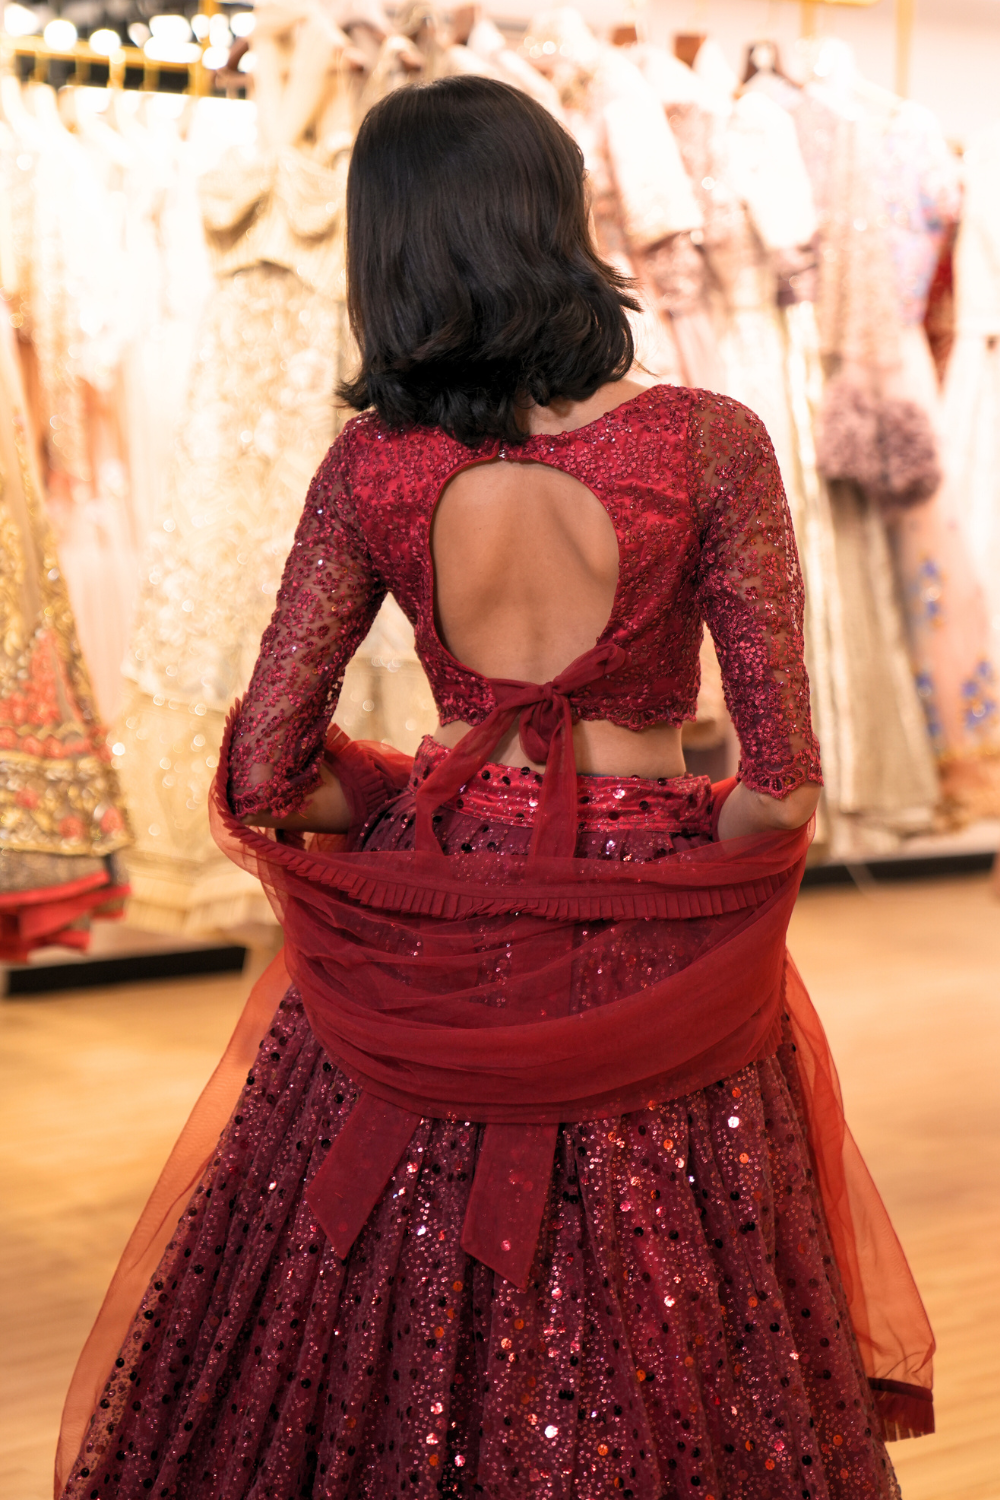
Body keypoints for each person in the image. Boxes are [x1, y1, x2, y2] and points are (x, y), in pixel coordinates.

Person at [56, 76, 933, 1500]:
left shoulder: (372, 470)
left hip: (438, 901)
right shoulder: (711, 442)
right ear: (559, 216)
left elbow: (265, 768)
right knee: (677, 1318)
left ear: (387, 254)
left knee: (365, 1304)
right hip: (655, 924)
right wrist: (679, 831)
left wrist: (416, 796)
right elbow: (781, 795)